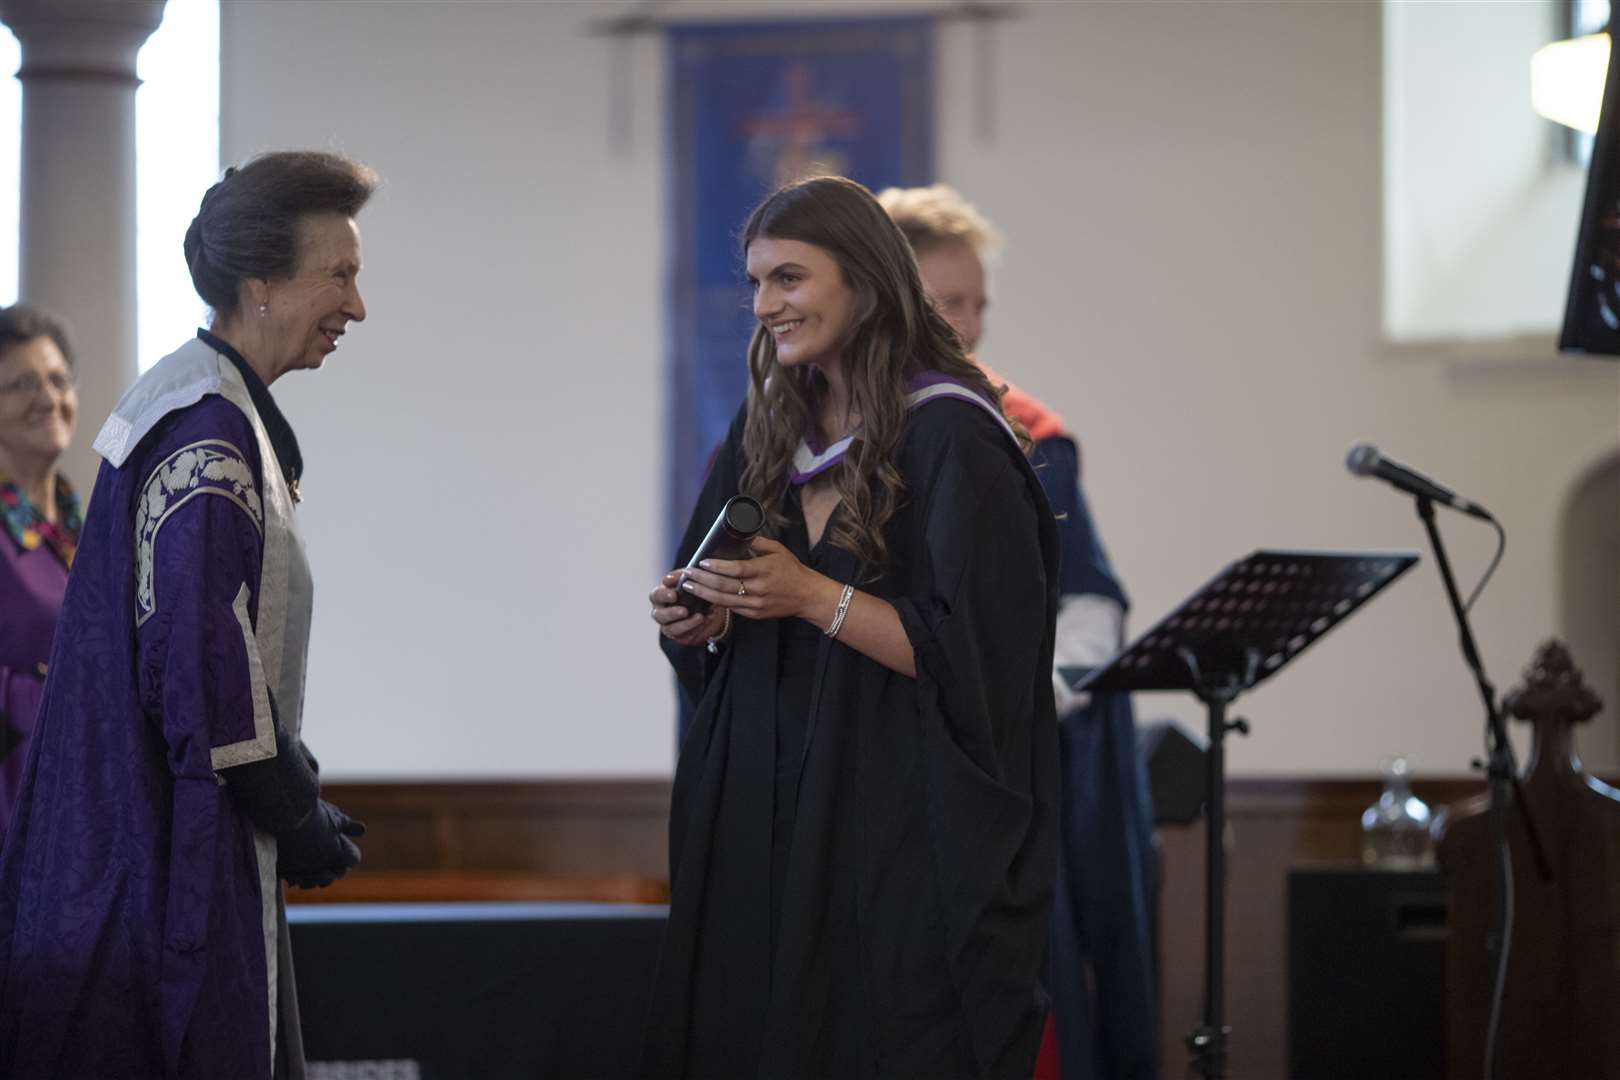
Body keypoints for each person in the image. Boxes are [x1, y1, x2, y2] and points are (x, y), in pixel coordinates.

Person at [644, 175, 1060, 1080]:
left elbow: (981, 662)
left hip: (896, 835)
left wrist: (804, 595)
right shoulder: (768, 423)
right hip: (768, 817)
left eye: (789, 278)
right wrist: (697, 617)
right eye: (756, 283)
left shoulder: (954, 436)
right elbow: (728, 612)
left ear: (866, 281)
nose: (765, 306)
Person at [0, 151, 375, 1080]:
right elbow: (203, 670)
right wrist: (295, 811)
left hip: (154, 838)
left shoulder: (203, 407)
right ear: (259, 281)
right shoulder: (207, 430)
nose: (356, 307)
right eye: (339, 275)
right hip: (161, 860)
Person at [878, 183, 1159, 1080]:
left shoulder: (1023, 432)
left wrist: (1018, 706)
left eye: (976, 305)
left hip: (997, 774)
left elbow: (1088, 604)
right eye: (945, 304)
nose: (968, 326)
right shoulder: (814, 429)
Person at [0, 304, 80, 839]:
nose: (48, 398)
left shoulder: (87, 529)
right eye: (23, 384)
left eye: (58, 380)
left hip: (78, 807)